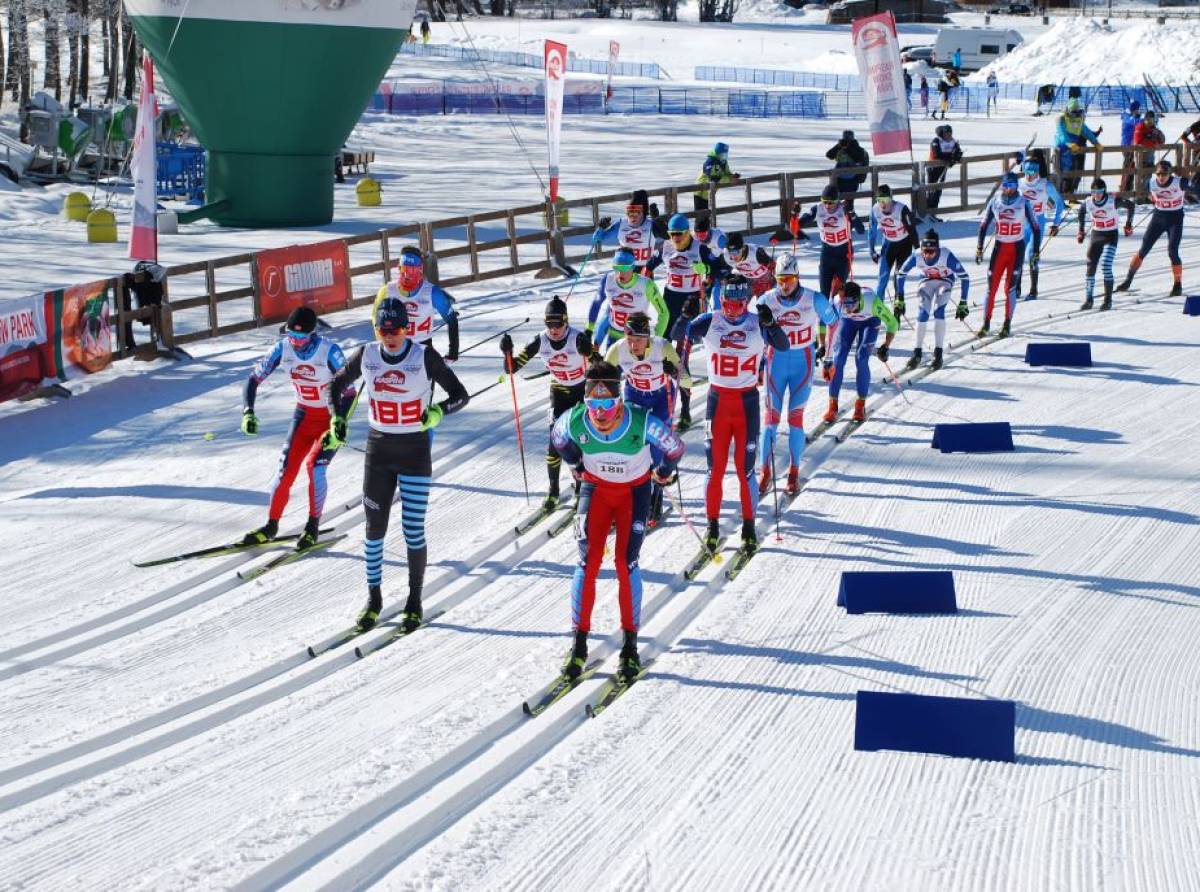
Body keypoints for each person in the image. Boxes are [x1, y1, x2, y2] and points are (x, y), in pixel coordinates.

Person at [327, 297, 469, 633]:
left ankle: (413, 600)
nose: (389, 335)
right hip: (378, 453)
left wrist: (439, 411)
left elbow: (461, 394)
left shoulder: (423, 356)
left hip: (414, 452)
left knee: (412, 530)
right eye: (382, 329)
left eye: (395, 328)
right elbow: (335, 384)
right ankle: (374, 600)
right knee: (373, 531)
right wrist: (337, 419)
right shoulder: (367, 355)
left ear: (406, 328)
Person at [551, 360, 685, 682]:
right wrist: (574, 465)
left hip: (633, 495)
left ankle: (630, 647)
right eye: (592, 404)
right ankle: (579, 644)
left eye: (607, 404)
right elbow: (557, 438)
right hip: (596, 491)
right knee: (588, 562)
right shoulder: (575, 420)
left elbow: (675, 447)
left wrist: (663, 473)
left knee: (627, 564)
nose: (599, 412)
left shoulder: (642, 422)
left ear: (619, 401)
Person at [674, 275, 788, 555]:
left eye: (737, 304)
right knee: (714, 470)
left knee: (745, 470)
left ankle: (749, 527)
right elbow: (680, 334)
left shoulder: (757, 321)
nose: (732, 310)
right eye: (727, 303)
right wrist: (684, 316)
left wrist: (771, 322)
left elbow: (783, 346)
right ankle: (712, 526)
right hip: (718, 404)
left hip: (746, 403)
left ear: (746, 301)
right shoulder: (710, 320)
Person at [240, 306, 354, 551]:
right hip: (303, 416)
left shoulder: (329, 352)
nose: (296, 342)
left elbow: (350, 393)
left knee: (315, 468)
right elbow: (253, 380)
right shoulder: (283, 348)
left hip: (328, 419)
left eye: (301, 337)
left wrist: (340, 421)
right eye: (291, 335)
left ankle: (312, 528)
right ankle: (271, 526)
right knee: (284, 472)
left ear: (313, 334)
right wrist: (248, 411)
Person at [499, 296, 596, 510]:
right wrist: (506, 352)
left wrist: (590, 352)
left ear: (566, 321)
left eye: (558, 324)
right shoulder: (539, 341)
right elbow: (511, 368)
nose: (554, 329)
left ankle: (582, 485)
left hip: (581, 393)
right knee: (555, 443)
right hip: (559, 393)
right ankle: (553, 490)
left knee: (581, 440)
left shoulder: (577, 338)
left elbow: (602, 365)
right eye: (549, 324)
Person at [756, 251, 838, 496]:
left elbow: (834, 323)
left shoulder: (814, 299)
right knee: (770, 420)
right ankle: (764, 471)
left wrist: (829, 358)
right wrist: (759, 363)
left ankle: (793, 470)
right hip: (775, 363)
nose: (785, 285)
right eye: (780, 279)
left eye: (789, 279)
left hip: (802, 362)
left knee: (795, 420)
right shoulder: (767, 300)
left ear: (798, 276)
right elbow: (758, 333)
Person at [645, 213, 727, 430]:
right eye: (672, 235)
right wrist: (646, 283)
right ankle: (656, 402)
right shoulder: (665, 247)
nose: (676, 239)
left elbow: (720, 268)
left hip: (691, 301)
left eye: (679, 234)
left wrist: (707, 270)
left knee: (681, 358)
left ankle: (686, 411)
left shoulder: (699, 248)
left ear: (687, 232)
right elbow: (648, 266)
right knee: (659, 351)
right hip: (669, 300)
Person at [605, 311, 686, 523]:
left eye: (639, 340)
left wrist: (674, 371)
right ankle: (624, 498)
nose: (633, 346)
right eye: (630, 339)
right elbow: (601, 376)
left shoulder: (662, 347)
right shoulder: (618, 349)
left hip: (660, 397)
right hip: (634, 396)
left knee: (658, 447)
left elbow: (686, 380)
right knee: (632, 445)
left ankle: (656, 499)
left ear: (648, 337)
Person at [1116, 159, 1198, 298]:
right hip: (1158, 218)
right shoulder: (1152, 183)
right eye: (1159, 174)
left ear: (1169, 174)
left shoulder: (1179, 182)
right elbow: (1150, 195)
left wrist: (1186, 177)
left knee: (1172, 252)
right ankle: (1128, 280)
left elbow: (1196, 190)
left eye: (1164, 174)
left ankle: (1177, 285)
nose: (1161, 177)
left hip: (1175, 219)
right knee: (1143, 249)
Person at [820, 281, 898, 423]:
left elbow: (893, 323)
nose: (848, 307)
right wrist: (826, 356)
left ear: (859, 299)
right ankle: (832, 406)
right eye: (846, 304)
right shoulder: (838, 303)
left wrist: (886, 346)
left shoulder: (872, 303)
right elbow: (827, 326)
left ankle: (860, 405)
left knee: (861, 358)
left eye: (851, 304)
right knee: (837, 360)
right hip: (848, 322)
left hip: (869, 321)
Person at [975, 173, 1040, 338]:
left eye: (1011, 186)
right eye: (1005, 186)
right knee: (991, 288)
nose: (1008, 189)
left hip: (1016, 250)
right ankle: (986, 323)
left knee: (1009, 288)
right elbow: (983, 226)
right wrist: (979, 248)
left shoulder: (1024, 202)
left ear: (1016, 187)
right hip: (999, 249)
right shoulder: (995, 202)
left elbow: (1036, 228)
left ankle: (1007, 323)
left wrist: (1036, 251)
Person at [895, 230, 970, 371]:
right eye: (925, 251)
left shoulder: (946, 255)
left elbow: (965, 277)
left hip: (945, 282)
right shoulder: (917, 255)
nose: (928, 255)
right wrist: (900, 298)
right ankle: (917, 353)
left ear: (938, 249)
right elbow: (901, 274)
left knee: (939, 312)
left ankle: (938, 354)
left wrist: (963, 302)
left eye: (931, 251)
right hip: (926, 282)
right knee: (923, 313)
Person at [373, 246, 459, 361]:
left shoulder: (432, 292)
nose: (407, 275)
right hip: (396, 349)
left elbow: (452, 320)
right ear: (399, 269)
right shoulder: (387, 290)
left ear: (420, 270)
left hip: (423, 348)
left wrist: (453, 351)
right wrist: (382, 342)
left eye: (411, 270)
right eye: (404, 270)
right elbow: (375, 317)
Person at [587, 248, 669, 347]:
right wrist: (590, 331)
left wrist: (656, 339)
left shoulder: (646, 284)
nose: (620, 273)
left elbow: (664, 313)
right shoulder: (608, 280)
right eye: (617, 268)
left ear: (633, 267)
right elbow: (600, 306)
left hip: (638, 340)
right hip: (614, 339)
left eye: (625, 268)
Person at [1076, 178, 1135, 311]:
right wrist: (1081, 231)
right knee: (1090, 267)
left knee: (1106, 265)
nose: (1097, 194)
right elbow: (1081, 212)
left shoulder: (1112, 201)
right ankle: (1089, 300)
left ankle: (1107, 301)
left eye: (1100, 191)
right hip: (1096, 235)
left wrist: (1128, 224)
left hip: (1110, 236)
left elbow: (1131, 205)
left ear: (1104, 191)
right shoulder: (1089, 202)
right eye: (1094, 191)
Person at [798, 184, 864, 301]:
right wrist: (795, 215)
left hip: (843, 255)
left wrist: (852, 213)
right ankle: (824, 319)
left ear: (837, 201)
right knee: (823, 295)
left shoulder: (844, 209)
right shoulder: (818, 208)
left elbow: (861, 230)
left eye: (830, 202)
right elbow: (798, 224)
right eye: (825, 202)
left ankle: (838, 318)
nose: (827, 206)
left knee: (837, 295)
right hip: (827, 254)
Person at [1017, 159, 1065, 300]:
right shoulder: (1019, 184)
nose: (1029, 175)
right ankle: (1016, 289)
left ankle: (1033, 290)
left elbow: (1060, 203)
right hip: (1021, 224)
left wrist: (1056, 224)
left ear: (1038, 172)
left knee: (1032, 255)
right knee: (1017, 255)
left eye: (1032, 172)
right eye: (1026, 171)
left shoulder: (1045, 185)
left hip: (1037, 225)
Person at [868, 183, 919, 305]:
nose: (883, 204)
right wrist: (872, 251)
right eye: (880, 200)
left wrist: (918, 249)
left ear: (891, 199)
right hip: (889, 245)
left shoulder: (901, 209)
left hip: (904, 245)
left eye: (886, 200)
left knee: (898, 277)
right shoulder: (875, 210)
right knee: (882, 280)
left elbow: (912, 230)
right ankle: (877, 314)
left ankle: (898, 309)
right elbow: (872, 231)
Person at [592, 189, 666, 272]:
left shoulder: (650, 224)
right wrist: (601, 227)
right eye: (630, 212)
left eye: (636, 213)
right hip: (625, 268)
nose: (633, 216)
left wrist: (657, 219)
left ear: (643, 212)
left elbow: (667, 235)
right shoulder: (621, 224)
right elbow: (597, 239)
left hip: (645, 268)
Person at [1055, 97, 1103, 198]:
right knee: (1064, 171)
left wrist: (1096, 143)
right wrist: (1068, 143)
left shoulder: (1078, 120)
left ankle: (1070, 195)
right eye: (1073, 112)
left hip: (1074, 148)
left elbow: (1087, 132)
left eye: (1077, 112)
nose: (1075, 115)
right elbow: (1062, 134)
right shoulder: (1061, 120)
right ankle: (1061, 196)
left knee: (1075, 171)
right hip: (1062, 148)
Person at [825, 130, 870, 212]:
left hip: (852, 180)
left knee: (849, 205)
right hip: (839, 180)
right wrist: (838, 146)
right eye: (845, 138)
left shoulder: (857, 147)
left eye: (848, 138)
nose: (847, 140)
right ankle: (837, 221)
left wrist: (848, 148)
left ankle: (850, 221)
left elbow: (858, 158)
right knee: (835, 202)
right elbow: (829, 155)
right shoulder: (840, 147)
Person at [926, 124, 963, 221]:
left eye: (950, 133)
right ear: (943, 133)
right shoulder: (936, 141)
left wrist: (956, 158)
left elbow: (957, 154)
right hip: (933, 168)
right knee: (931, 189)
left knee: (938, 191)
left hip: (943, 168)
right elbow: (936, 154)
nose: (949, 136)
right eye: (947, 133)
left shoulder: (953, 141)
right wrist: (950, 157)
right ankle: (927, 212)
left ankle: (934, 212)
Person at [722, 232, 777, 297]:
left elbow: (773, 266)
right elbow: (726, 269)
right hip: (746, 278)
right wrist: (727, 277)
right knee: (733, 297)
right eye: (731, 253)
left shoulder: (755, 253)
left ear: (743, 248)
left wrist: (775, 281)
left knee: (763, 303)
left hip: (762, 278)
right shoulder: (726, 254)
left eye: (737, 252)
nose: (734, 256)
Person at [695, 141, 739, 209]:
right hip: (700, 191)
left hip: (709, 191)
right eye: (723, 154)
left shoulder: (723, 162)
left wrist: (732, 176)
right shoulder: (711, 162)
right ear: (718, 153)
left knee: (707, 215)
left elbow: (726, 173)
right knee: (701, 216)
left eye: (726, 154)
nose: (724, 156)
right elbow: (714, 178)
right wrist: (730, 179)